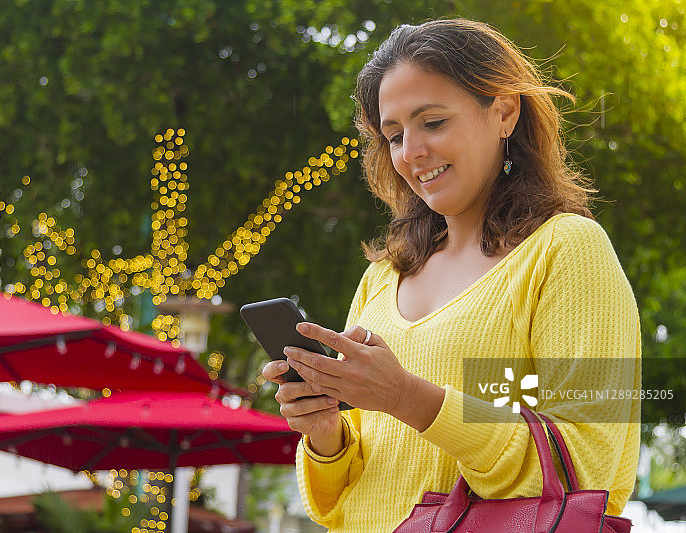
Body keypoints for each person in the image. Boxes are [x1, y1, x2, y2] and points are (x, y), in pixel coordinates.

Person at [262, 18, 641, 533]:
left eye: (433, 122)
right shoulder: (382, 277)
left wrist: (407, 398)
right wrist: (326, 436)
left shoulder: (564, 250)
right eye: (393, 136)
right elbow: (341, 501)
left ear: (504, 111)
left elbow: (584, 468)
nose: (410, 152)